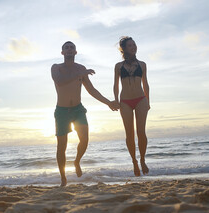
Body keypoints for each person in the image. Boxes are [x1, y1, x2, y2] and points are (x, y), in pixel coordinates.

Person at [51, 41, 119, 187]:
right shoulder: (56, 68)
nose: (69, 50)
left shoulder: (81, 69)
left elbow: (92, 90)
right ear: (62, 52)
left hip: (78, 109)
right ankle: (63, 178)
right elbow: (60, 81)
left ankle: (76, 161)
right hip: (62, 111)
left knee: (85, 139)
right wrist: (80, 74)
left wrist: (109, 103)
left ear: (76, 52)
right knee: (61, 146)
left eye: (72, 48)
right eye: (66, 48)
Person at [113, 36, 150, 176]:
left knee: (141, 132)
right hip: (125, 101)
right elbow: (115, 85)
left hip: (141, 99)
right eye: (130, 45)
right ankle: (134, 161)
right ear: (124, 49)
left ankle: (142, 159)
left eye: (134, 44)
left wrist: (148, 101)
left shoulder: (142, 64)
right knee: (129, 134)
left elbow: (145, 83)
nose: (133, 47)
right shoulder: (118, 66)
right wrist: (116, 100)